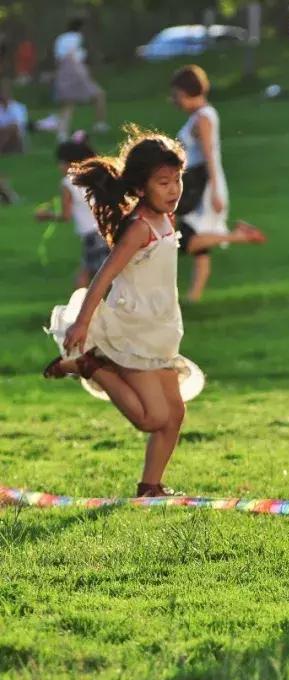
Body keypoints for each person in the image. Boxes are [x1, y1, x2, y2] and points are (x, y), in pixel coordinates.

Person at [42, 128, 201, 498]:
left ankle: (150, 487)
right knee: (151, 419)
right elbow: (104, 276)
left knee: (174, 416)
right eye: (164, 182)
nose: (174, 189)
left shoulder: (166, 220)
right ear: (142, 187)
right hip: (132, 330)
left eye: (177, 179)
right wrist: (82, 323)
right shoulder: (139, 228)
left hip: (160, 328)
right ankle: (88, 364)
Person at [171, 65, 267, 302]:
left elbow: (210, 154)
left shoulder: (203, 117)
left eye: (176, 95)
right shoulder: (201, 115)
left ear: (184, 92)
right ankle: (193, 299)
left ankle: (240, 236)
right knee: (201, 247)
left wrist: (214, 190)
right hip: (199, 181)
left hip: (202, 185)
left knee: (187, 242)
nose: (174, 100)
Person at [34, 132, 109, 288]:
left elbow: (66, 215)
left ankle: (79, 307)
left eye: (61, 162)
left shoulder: (67, 183)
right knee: (103, 271)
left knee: (87, 273)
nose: (59, 167)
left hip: (90, 234)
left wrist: (46, 215)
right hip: (107, 230)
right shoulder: (95, 178)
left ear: (70, 163)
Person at [53, 19, 108, 141]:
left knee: (68, 104)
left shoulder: (61, 38)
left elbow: (58, 58)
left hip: (63, 71)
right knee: (99, 95)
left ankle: (62, 133)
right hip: (75, 70)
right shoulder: (76, 37)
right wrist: (81, 73)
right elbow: (72, 55)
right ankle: (100, 124)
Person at [0, 84, 28, 154]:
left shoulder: (17, 107)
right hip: (2, 132)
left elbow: (17, 125)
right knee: (4, 132)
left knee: (11, 129)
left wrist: (4, 129)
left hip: (15, 134)